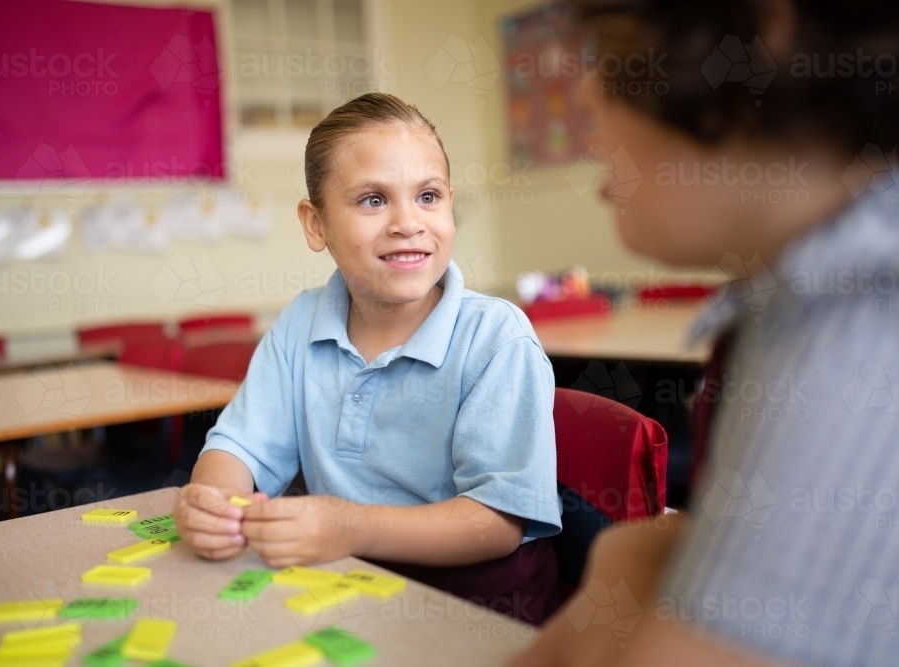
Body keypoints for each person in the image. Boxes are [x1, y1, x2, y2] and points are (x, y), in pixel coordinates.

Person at [511, 0, 898, 664]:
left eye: (604, 53)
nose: (584, 95)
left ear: (760, 44)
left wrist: (624, 582)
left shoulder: (851, 325)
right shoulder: (803, 300)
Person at [173, 93, 564, 623]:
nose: (408, 222)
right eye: (373, 200)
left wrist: (347, 525)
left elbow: (496, 523)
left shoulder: (496, 337)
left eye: (428, 196)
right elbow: (241, 447)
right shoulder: (299, 323)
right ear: (316, 225)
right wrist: (212, 502)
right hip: (348, 589)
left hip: (474, 611)